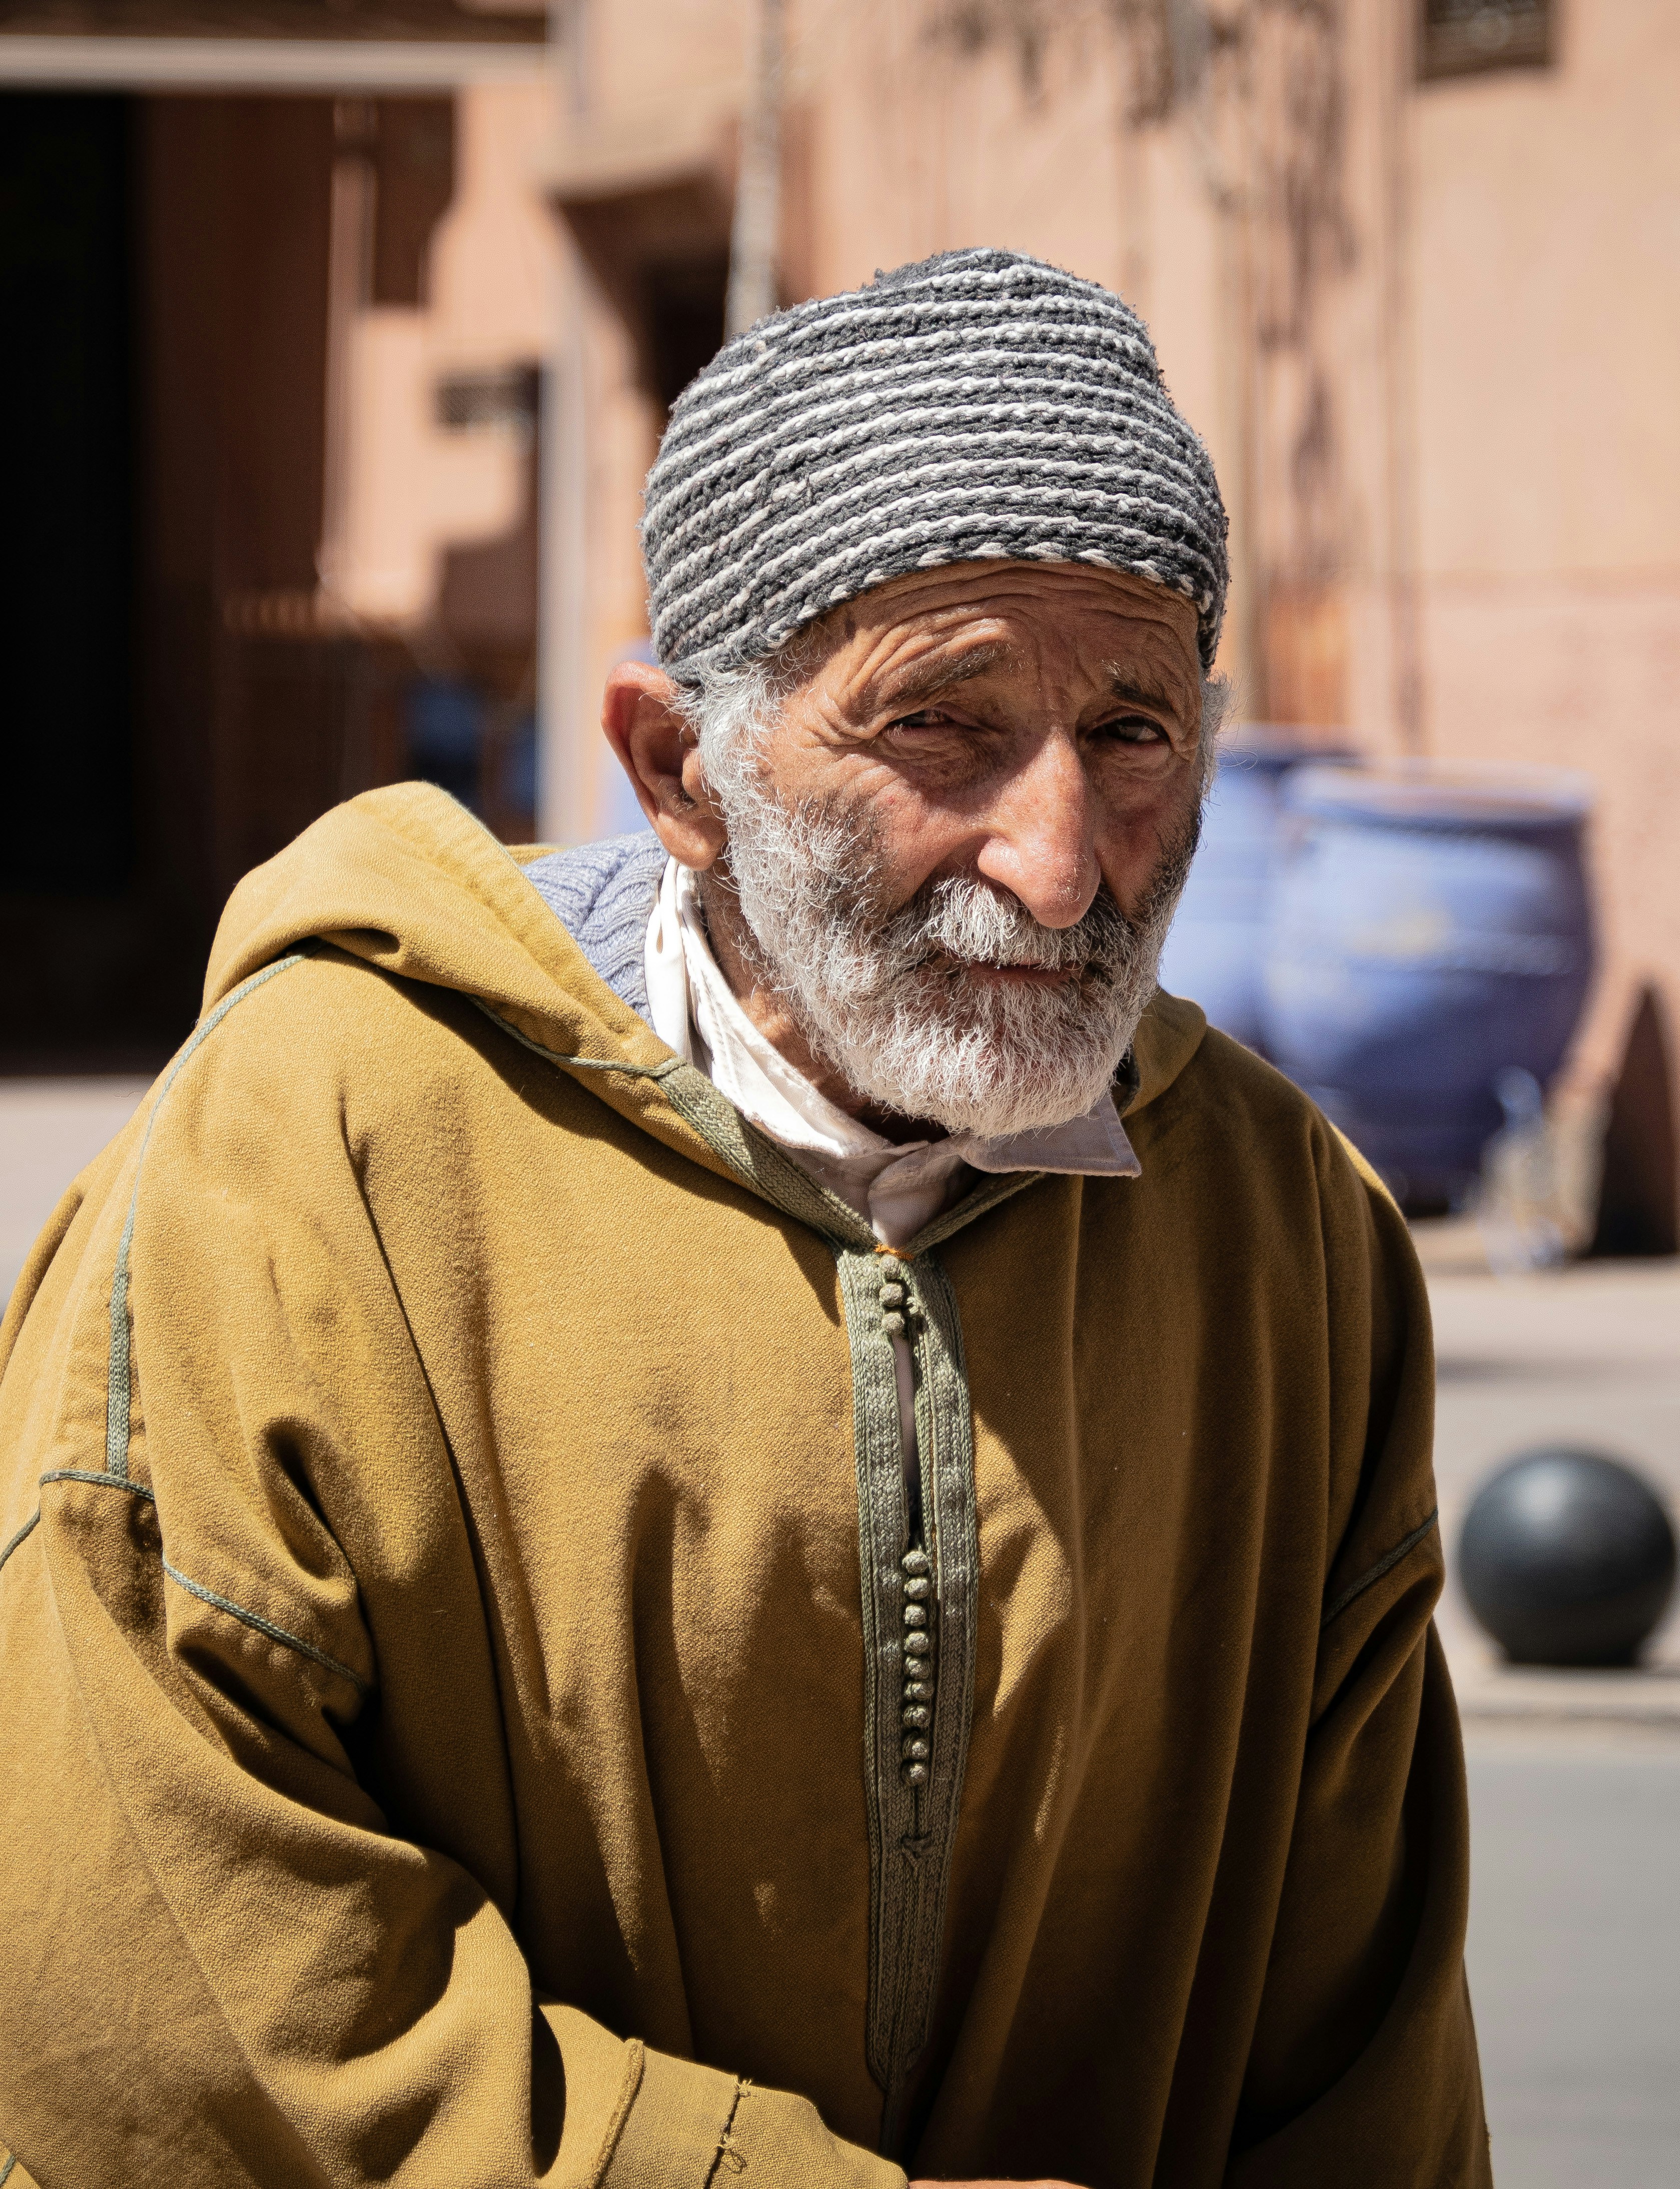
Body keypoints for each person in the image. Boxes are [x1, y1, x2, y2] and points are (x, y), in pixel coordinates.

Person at [0, 249, 1488, 2188]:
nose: (1059, 867)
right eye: (941, 726)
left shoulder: (1287, 1236)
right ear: (678, 769)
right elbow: (149, 1962)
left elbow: (1364, 2050)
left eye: (1134, 733)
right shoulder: (311, 1154)